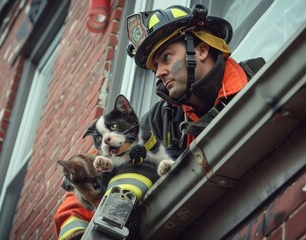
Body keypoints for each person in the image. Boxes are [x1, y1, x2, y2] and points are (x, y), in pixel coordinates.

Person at [54, 4, 251, 239]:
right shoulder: (163, 120)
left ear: (200, 50)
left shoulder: (255, 83)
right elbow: (88, 180)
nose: (158, 73)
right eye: (156, 66)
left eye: (167, 58)